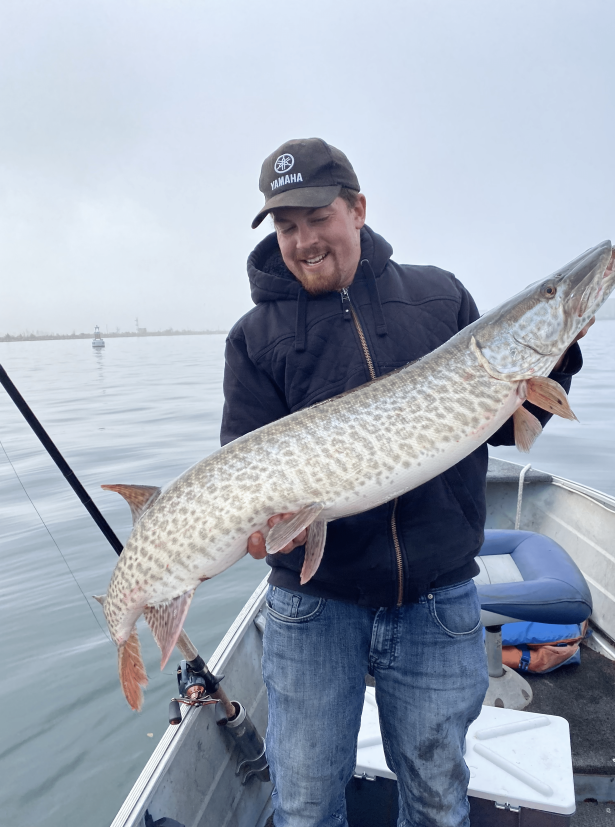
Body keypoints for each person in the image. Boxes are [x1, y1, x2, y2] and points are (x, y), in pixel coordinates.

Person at [220, 138, 588, 827]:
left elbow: (505, 425)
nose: (301, 241)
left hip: (436, 596)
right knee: (302, 806)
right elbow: (244, 467)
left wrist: (558, 352)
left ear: (357, 210)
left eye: (315, 217)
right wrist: (257, 530)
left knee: (437, 802)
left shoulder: (440, 296)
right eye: (285, 225)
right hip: (314, 604)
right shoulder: (255, 338)